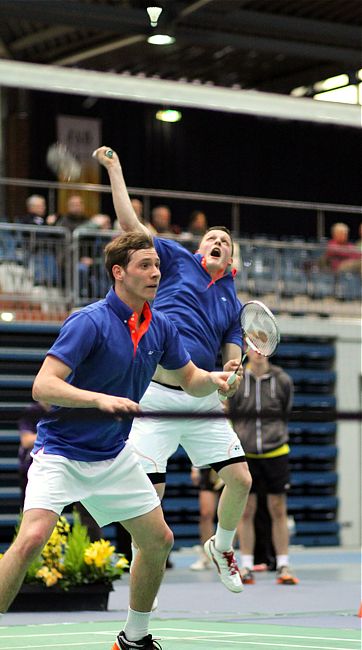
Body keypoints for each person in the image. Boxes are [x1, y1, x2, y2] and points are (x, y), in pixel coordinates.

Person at [0, 229, 239, 650]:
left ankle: (134, 637)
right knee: (32, 539)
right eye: (144, 266)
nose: (155, 273)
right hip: (62, 453)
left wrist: (218, 381)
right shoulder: (89, 321)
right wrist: (98, 399)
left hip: (113, 456)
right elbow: (43, 386)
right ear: (118, 273)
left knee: (158, 540)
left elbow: (191, 379)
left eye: (157, 266)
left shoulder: (160, 326)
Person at [93, 145, 252, 595]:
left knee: (240, 479)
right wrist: (115, 169)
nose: (216, 242)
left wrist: (233, 368)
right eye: (211, 239)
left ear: (232, 260)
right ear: (199, 249)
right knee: (151, 503)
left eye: (225, 241)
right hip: (156, 395)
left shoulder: (233, 302)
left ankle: (220, 546)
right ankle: (144, 591)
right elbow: (130, 226)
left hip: (200, 398)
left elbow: (232, 349)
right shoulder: (175, 260)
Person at [228, 348, 299, 586]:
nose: (258, 353)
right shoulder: (238, 378)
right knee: (246, 509)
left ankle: (283, 564)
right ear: (248, 350)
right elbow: (230, 412)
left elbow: (286, 411)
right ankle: (246, 565)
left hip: (276, 451)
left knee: (278, 508)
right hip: (245, 453)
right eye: (253, 347)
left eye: (263, 347)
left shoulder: (282, 380)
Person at [17, 400, 102, 541]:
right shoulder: (32, 412)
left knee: (88, 515)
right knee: (36, 518)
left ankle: (93, 556)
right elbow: (26, 440)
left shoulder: (70, 409)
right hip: (38, 471)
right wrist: (58, 433)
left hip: (73, 465)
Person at [189, 467, 224, 571]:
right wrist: (194, 469)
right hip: (208, 467)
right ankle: (206, 555)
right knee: (206, 514)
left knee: (231, 514)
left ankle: (226, 554)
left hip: (229, 466)